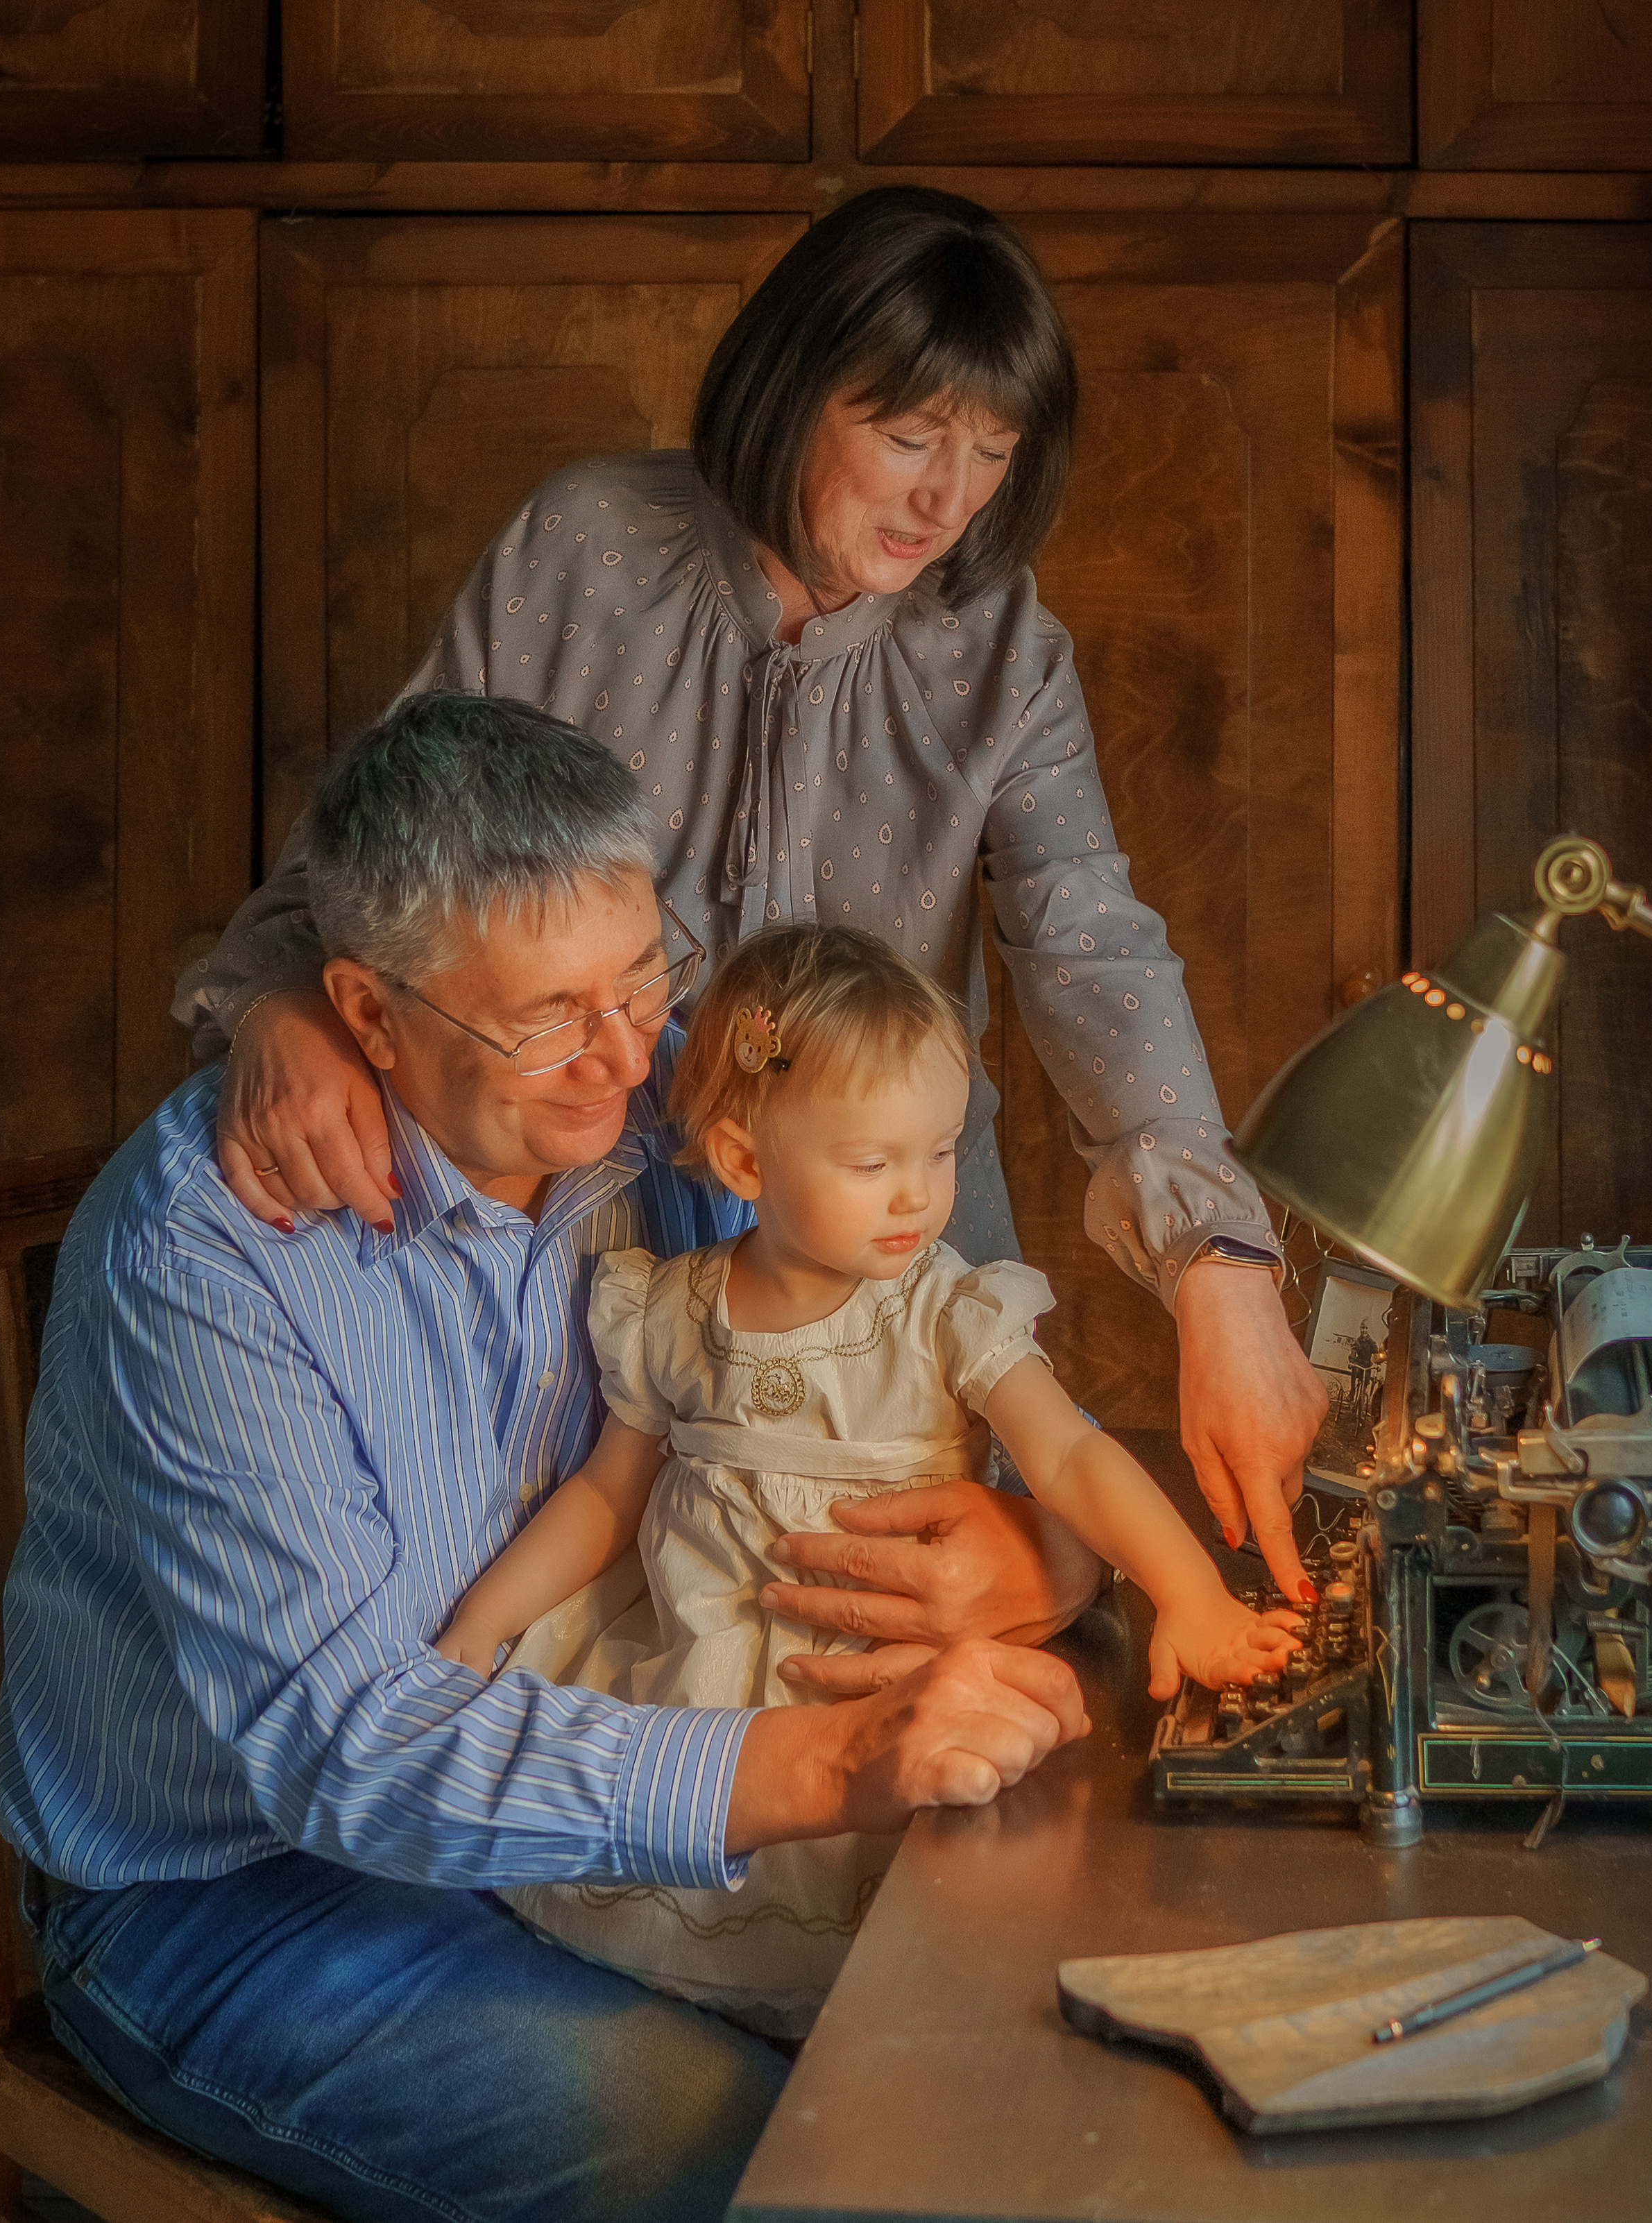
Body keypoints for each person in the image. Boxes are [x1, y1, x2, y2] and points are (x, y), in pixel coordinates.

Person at [0, 695, 1089, 2223]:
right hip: (239, 1894)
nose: (624, 1055)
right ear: (369, 1017)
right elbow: (344, 1747)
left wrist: (1043, 1547)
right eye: (545, 1016)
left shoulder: (686, 1100)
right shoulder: (207, 1253)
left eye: (644, 975)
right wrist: (825, 1764)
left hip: (601, 1759)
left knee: (1011, 2064)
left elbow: (927, 1354)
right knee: (781, 2169)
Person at [179, 185, 1328, 1608]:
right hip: (594, 1300)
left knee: (984, 1619)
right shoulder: (583, 545)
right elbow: (389, 847)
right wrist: (280, 1005)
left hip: (885, 1308)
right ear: (791, 384)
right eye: (906, 437)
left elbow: (1091, 947)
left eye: (988, 451)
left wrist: (1217, 1266)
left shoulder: (1005, 651)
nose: (944, 498)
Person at [434, 923, 1303, 2038]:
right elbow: (605, 1498)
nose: (918, 1199)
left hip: (891, 1707)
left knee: (907, 1983)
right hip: (712, 1707)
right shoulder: (673, 1312)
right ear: (747, 1163)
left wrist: (1194, 1596)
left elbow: (1073, 1458)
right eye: (873, 1164)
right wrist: (479, 1626)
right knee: (674, 1986)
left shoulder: (944, 1309)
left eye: (939, 1153)